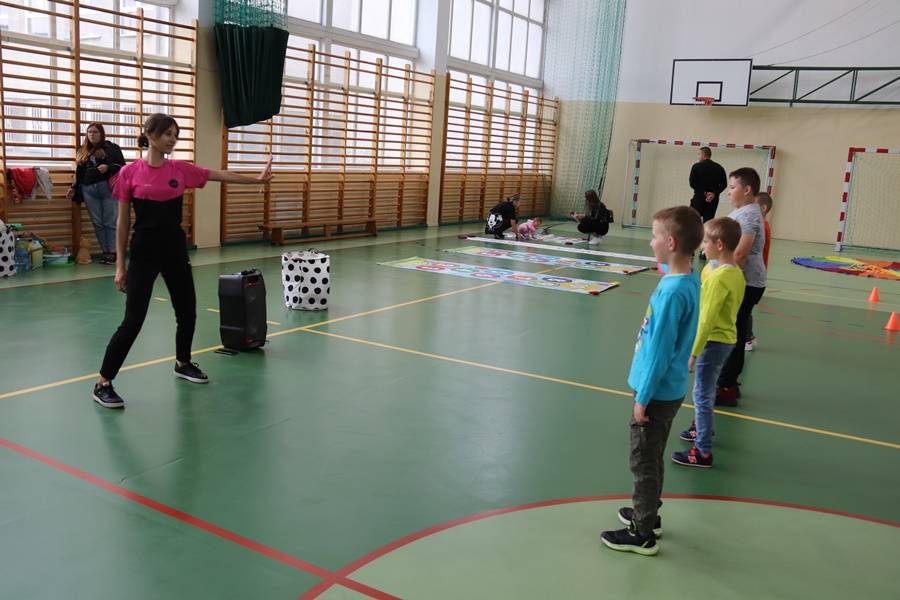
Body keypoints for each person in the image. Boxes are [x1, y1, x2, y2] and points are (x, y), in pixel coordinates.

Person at [92, 113, 273, 409]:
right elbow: (122, 223)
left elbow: (219, 174)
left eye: (175, 135)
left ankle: (183, 362)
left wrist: (256, 181)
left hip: (174, 247)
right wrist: (120, 266)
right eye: (167, 134)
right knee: (133, 321)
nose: (172, 139)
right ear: (150, 134)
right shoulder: (129, 173)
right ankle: (103, 383)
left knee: (187, 311)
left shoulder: (181, 169)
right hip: (144, 250)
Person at [600, 205, 703, 556]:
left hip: (655, 391)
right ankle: (649, 513)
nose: (650, 242)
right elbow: (670, 266)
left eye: (655, 236)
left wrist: (642, 397)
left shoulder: (672, 293)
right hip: (670, 388)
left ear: (671, 242)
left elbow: (659, 352)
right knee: (653, 454)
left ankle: (642, 532)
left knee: (643, 460)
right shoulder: (688, 278)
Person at [672, 217, 745, 468]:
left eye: (706, 242)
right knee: (707, 388)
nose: (703, 247)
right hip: (726, 339)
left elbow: (706, 319)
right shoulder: (735, 273)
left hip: (712, 341)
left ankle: (702, 451)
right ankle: (703, 428)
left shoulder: (718, 279)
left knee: (702, 394)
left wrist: (694, 352)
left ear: (720, 244)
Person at [716, 168, 766, 406]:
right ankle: (729, 382)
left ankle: (726, 386)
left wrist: (721, 280)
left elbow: (740, 254)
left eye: (733, 187)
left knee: (732, 333)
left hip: (745, 283)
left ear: (747, 190)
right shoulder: (743, 212)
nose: (729, 192)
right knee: (734, 330)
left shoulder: (748, 216)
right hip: (743, 282)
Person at [67, 123, 126, 264]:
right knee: (97, 222)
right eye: (89, 132)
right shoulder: (82, 150)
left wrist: (108, 167)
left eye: (95, 132)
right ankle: (105, 251)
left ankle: (113, 251)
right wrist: (73, 187)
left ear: (101, 134)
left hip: (107, 187)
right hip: (88, 188)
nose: (92, 134)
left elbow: (122, 166)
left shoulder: (111, 148)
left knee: (110, 221)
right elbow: (79, 172)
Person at [745, 192, 773, 352]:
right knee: (745, 309)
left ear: (763, 208)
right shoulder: (761, 225)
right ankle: (749, 336)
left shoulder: (761, 226)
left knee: (744, 309)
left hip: (753, 275)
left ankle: (747, 338)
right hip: (755, 274)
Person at [689, 146, 727, 224]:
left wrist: (705, 193)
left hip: (699, 199)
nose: (698, 156)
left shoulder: (696, 166)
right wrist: (714, 193)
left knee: (693, 222)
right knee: (708, 224)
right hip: (712, 201)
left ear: (703, 155)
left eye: (699, 154)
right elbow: (724, 184)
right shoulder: (719, 168)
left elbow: (692, 183)